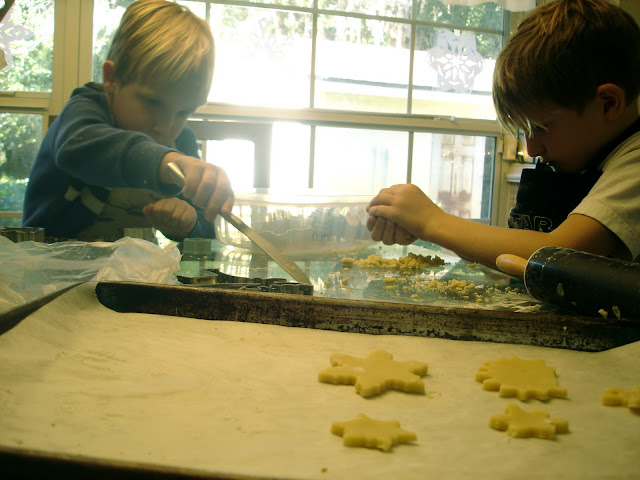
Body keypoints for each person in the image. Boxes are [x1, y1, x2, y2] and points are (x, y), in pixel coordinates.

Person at [366, 0, 640, 268]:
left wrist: (431, 221)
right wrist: (419, 224)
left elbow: (559, 255)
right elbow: (514, 253)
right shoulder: (580, 157)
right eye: (524, 130)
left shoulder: (635, 165)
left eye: (541, 128)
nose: (532, 149)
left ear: (608, 104)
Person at [22, 0, 233, 242]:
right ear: (111, 79)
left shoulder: (181, 142)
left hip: (131, 264)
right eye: (153, 103)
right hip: (47, 260)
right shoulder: (83, 113)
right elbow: (78, 149)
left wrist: (188, 223)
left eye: (182, 112)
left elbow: (206, 229)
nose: (165, 128)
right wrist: (167, 163)